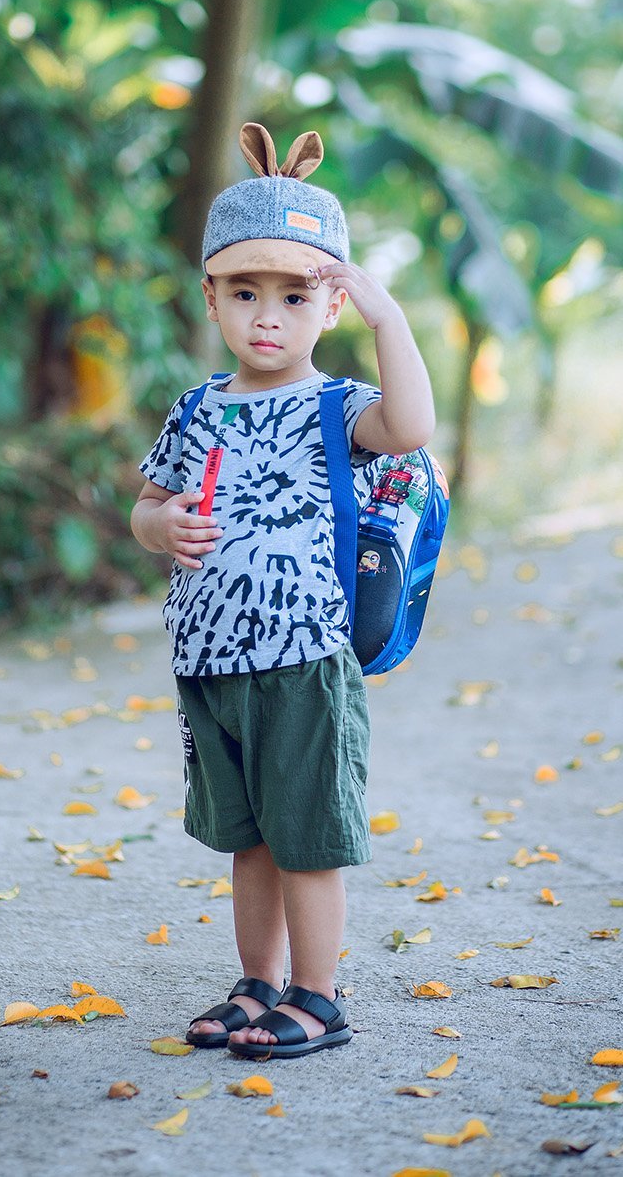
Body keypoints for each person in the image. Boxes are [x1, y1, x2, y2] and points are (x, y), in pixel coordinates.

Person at [130, 121, 435, 1059]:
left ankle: (319, 994)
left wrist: (391, 321)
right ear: (213, 297)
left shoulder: (339, 407)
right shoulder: (197, 406)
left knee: (307, 836)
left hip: (304, 657)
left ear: (329, 304)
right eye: (246, 292)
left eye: (295, 295)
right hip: (210, 655)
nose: (268, 315)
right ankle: (257, 984)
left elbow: (412, 425)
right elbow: (147, 504)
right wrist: (162, 526)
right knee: (249, 840)